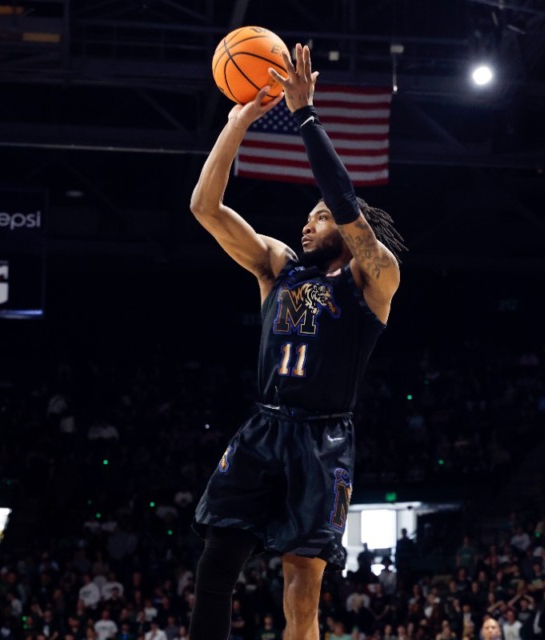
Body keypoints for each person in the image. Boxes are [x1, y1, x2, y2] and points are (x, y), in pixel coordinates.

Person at [187, 42, 404, 640]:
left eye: (321, 217)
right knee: (216, 562)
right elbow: (205, 207)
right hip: (264, 428)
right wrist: (238, 125)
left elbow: (342, 197)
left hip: (324, 438)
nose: (309, 222)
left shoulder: (374, 276)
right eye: (308, 217)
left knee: (301, 584)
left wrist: (305, 115)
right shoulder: (277, 266)